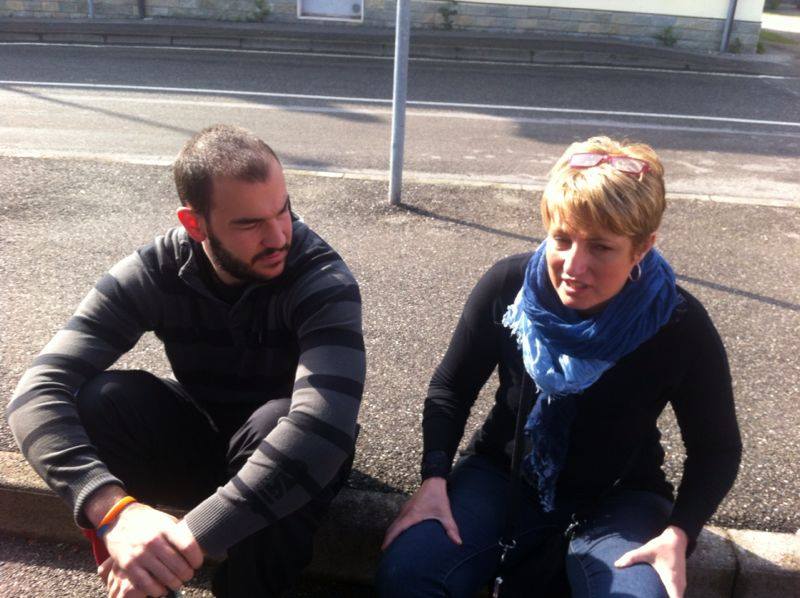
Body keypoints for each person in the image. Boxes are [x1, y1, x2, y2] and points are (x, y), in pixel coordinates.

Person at [7, 124, 366, 598]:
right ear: (195, 225)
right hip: (209, 435)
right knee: (104, 399)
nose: (279, 235)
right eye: (249, 224)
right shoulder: (156, 269)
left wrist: (184, 542)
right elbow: (36, 392)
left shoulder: (321, 278)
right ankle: (142, 582)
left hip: (295, 458)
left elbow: (323, 427)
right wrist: (114, 512)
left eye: (283, 210)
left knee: (277, 424)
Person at [377, 137, 741, 598]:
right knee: (409, 572)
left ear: (642, 248)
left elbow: (717, 448)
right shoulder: (509, 286)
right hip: (505, 475)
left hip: (621, 494)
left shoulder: (678, 322)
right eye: (562, 239)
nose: (574, 266)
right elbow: (452, 387)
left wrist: (680, 531)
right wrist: (433, 478)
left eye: (601, 247)